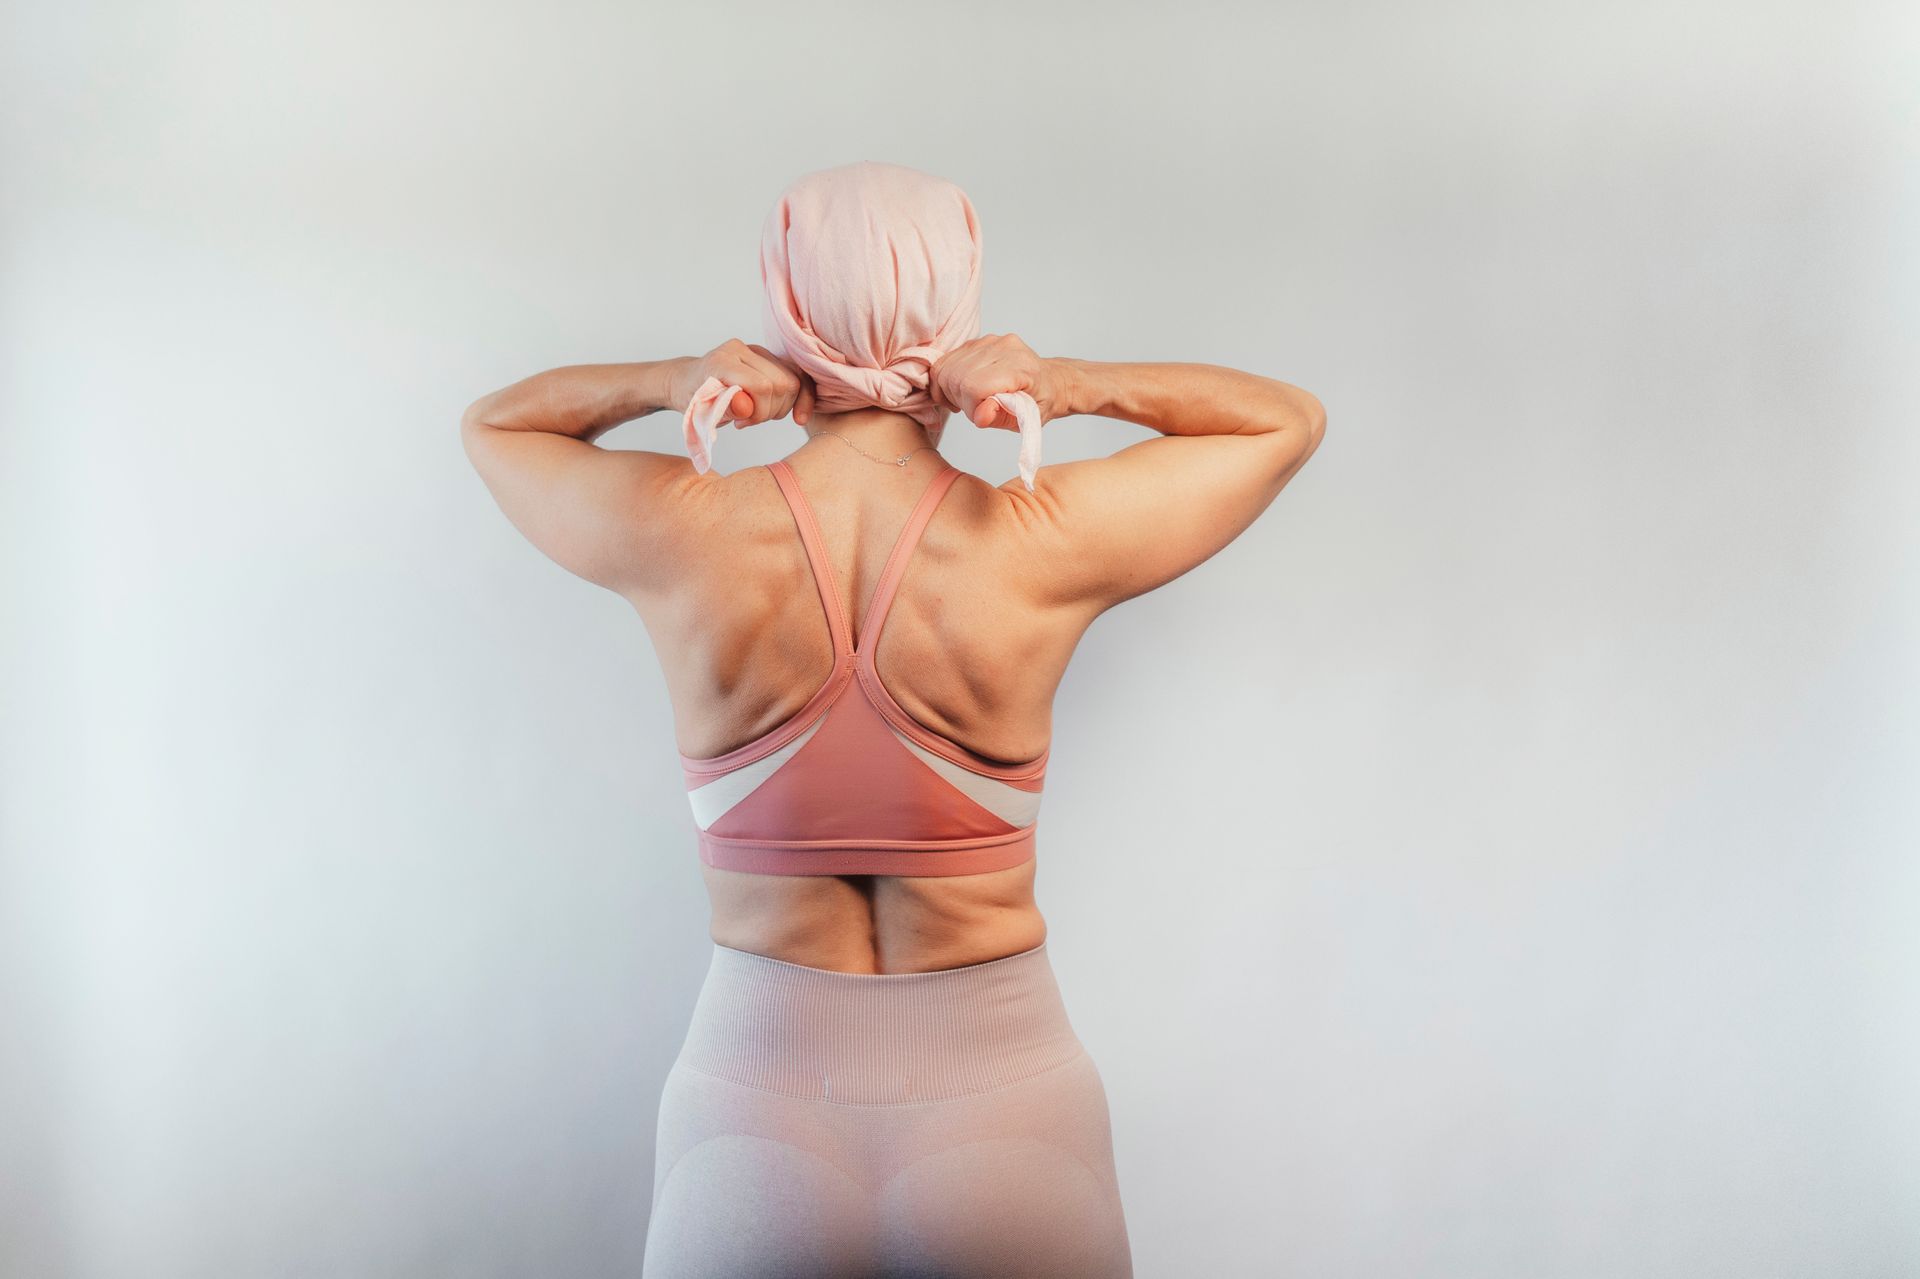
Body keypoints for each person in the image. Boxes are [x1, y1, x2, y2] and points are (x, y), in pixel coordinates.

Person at [460, 161, 1325, 1278]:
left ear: (786, 313)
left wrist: (682, 379)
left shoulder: (686, 529)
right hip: (1009, 1108)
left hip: (754, 1112)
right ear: (958, 311)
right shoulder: (1039, 535)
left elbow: (497, 428)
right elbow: (1284, 424)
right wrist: (1060, 382)